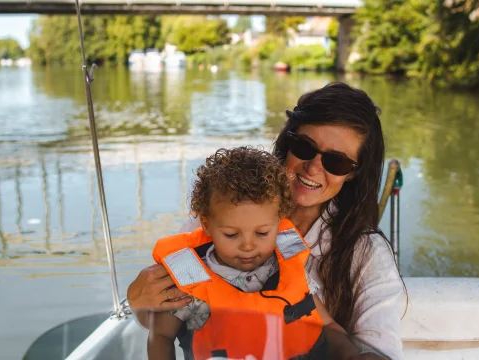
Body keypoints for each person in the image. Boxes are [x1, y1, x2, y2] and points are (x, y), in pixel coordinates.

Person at [129, 82, 406, 360]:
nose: (313, 168)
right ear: (289, 142)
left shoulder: (367, 253)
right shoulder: (217, 215)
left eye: (337, 162)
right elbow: (156, 322)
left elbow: (369, 345)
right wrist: (137, 299)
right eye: (305, 147)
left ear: (354, 174)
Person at [147, 146, 365, 360]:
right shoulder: (190, 279)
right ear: (206, 224)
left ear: (279, 223)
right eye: (232, 235)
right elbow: (161, 335)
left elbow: (327, 325)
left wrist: (351, 355)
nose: (248, 246)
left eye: (262, 233)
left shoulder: (290, 270)